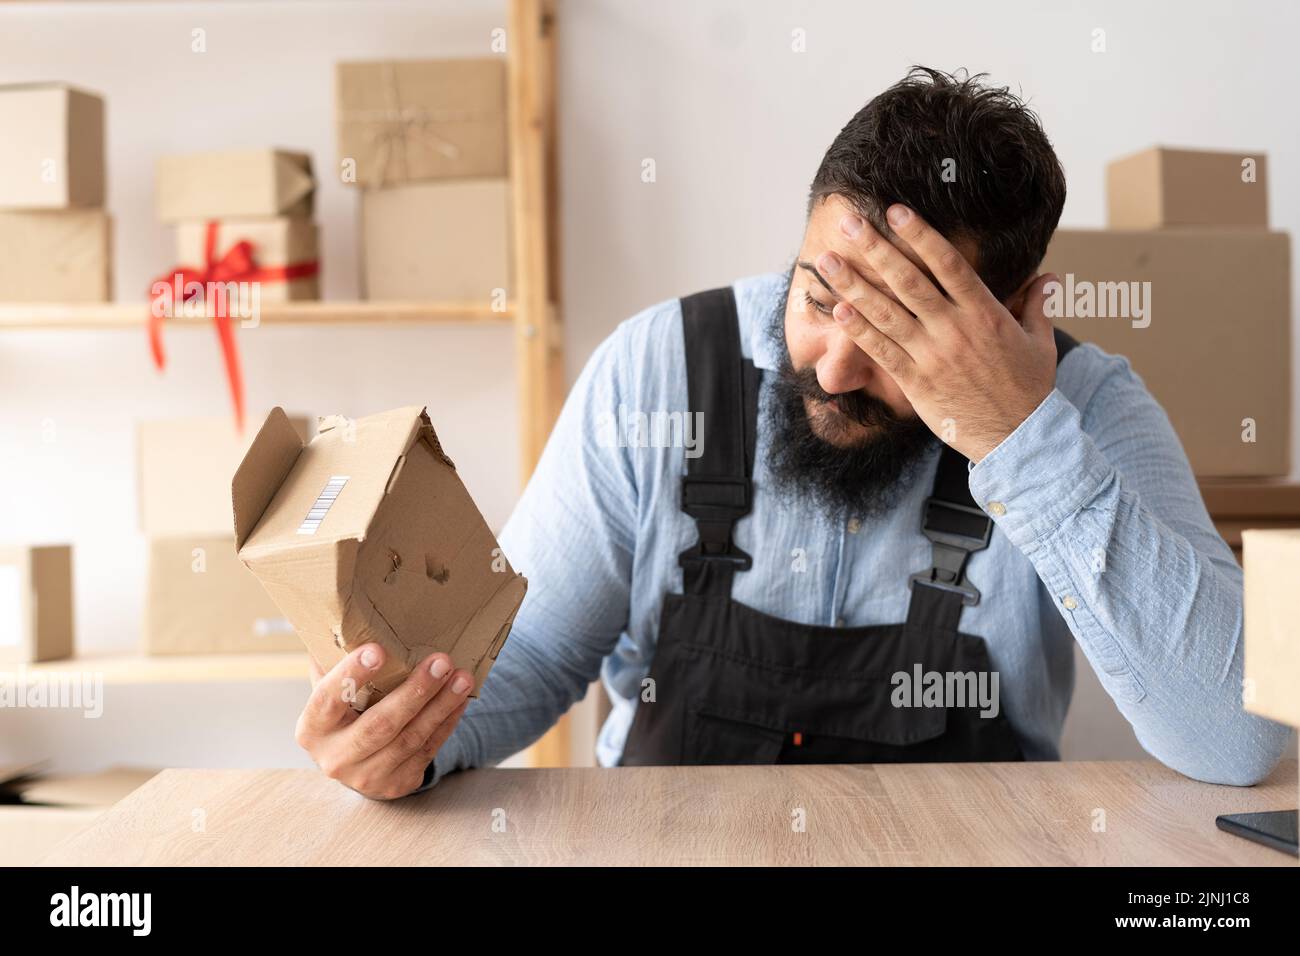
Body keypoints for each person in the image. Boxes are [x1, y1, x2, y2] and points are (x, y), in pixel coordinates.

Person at [293, 67, 1290, 800]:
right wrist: (408, 736)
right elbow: (535, 653)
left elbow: (1241, 736)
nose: (833, 367)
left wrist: (1020, 434)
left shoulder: (1087, 405)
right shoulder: (653, 369)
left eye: (907, 332)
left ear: (1016, 312)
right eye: (820, 292)